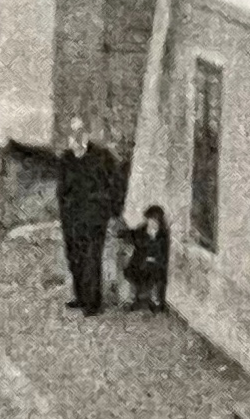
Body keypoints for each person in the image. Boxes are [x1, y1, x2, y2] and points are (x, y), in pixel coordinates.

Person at [54, 117, 124, 314]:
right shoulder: (66, 159)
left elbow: (116, 185)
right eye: (72, 133)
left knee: (91, 257)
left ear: (86, 134)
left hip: (94, 217)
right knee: (74, 256)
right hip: (71, 217)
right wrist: (65, 209)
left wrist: (111, 209)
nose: (76, 137)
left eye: (80, 132)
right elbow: (61, 188)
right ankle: (81, 297)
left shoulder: (102, 157)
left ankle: (93, 303)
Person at [120, 202, 170, 313]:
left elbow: (163, 253)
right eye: (150, 220)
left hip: (156, 263)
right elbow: (131, 236)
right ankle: (132, 300)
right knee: (132, 270)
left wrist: (153, 259)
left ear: (159, 221)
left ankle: (156, 301)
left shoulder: (162, 235)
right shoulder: (142, 230)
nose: (152, 223)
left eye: (155, 221)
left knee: (156, 274)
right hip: (140, 262)